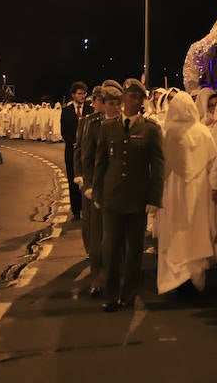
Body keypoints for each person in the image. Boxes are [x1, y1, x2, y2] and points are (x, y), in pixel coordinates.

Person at [92, 78, 164, 312]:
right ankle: (111, 294)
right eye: (132, 96)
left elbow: (158, 166)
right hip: (112, 198)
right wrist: (97, 192)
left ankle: (129, 294)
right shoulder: (108, 127)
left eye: (140, 97)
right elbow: (101, 162)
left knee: (134, 250)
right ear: (123, 98)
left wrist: (154, 198)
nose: (136, 101)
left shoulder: (150, 129)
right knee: (111, 249)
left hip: (137, 199)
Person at [154, 90, 217, 295]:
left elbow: (161, 167)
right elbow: (213, 161)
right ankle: (195, 275)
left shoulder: (167, 133)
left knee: (175, 230)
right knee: (195, 229)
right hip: (198, 188)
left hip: (174, 189)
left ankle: (176, 277)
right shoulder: (203, 132)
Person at [75, 81, 121, 298]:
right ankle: (98, 278)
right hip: (96, 185)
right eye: (107, 101)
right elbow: (83, 154)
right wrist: (86, 183)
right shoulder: (89, 123)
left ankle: (117, 275)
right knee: (97, 235)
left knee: (117, 234)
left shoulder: (125, 121)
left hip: (118, 185)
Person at [61, 81, 92, 220]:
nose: (82, 96)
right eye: (79, 93)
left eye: (84, 93)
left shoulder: (89, 110)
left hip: (86, 151)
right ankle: (76, 210)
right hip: (72, 151)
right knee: (73, 180)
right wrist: (73, 142)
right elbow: (64, 131)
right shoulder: (66, 111)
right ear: (73, 95)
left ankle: (87, 208)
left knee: (86, 180)